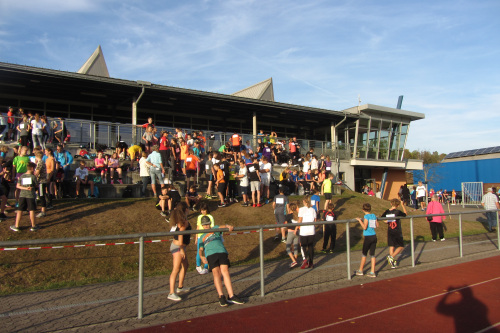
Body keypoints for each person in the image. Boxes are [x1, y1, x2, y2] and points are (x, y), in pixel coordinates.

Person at [198, 216, 245, 307]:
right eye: (204, 225)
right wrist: (201, 256)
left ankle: (231, 295)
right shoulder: (202, 236)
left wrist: (228, 226)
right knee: (216, 273)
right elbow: (200, 249)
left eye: (207, 224)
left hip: (221, 251)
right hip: (210, 254)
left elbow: (222, 226)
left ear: (210, 223)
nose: (206, 226)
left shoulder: (215, 228)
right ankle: (221, 296)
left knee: (225, 271)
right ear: (202, 226)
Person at [167, 202, 192, 302]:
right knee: (176, 269)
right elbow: (180, 235)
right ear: (185, 209)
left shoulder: (182, 220)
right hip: (178, 247)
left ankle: (180, 287)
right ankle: (171, 293)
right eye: (188, 208)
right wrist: (181, 250)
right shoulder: (183, 222)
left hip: (180, 246)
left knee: (185, 265)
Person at [10, 162, 40, 232]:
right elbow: (36, 185)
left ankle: (16, 225)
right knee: (31, 210)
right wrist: (30, 188)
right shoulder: (33, 177)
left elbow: (17, 186)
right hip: (30, 196)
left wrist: (24, 188)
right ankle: (33, 225)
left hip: (22, 195)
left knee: (20, 210)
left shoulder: (22, 176)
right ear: (32, 168)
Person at [381, 198, 407, 268]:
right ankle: (391, 257)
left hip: (390, 230)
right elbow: (405, 214)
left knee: (391, 246)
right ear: (398, 205)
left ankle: (392, 262)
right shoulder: (397, 212)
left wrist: (386, 221)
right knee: (401, 246)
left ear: (391, 204)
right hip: (396, 230)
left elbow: (382, 218)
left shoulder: (387, 211)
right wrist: (403, 205)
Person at [355, 203, 379, 278]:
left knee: (364, 253)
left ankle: (360, 270)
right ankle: (372, 271)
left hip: (368, 237)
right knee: (372, 254)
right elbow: (377, 225)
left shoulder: (366, 216)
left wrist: (359, 221)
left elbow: (365, 227)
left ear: (363, 210)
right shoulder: (373, 215)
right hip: (374, 236)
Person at [297, 195, 317, 269]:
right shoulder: (313, 210)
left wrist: (297, 227)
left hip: (304, 230)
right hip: (311, 230)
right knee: (311, 246)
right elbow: (315, 221)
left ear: (304, 201)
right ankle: (311, 262)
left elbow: (300, 220)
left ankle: (305, 259)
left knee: (303, 246)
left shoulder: (301, 209)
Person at [195, 202, 213, 275]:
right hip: (200, 236)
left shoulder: (210, 217)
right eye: (201, 210)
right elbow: (198, 227)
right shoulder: (199, 217)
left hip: (207, 236)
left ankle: (206, 267)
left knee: (207, 252)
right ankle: (198, 265)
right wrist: (196, 238)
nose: (203, 212)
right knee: (199, 251)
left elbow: (212, 227)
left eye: (204, 210)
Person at [284, 202, 300, 268]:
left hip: (290, 232)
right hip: (297, 232)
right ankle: (295, 260)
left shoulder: (288, 216)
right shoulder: (298, 215)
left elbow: (286, 224)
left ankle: (294, 261)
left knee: (288, 248)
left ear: (290, 208)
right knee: (295, 247)